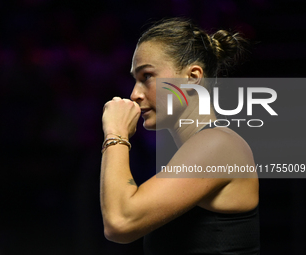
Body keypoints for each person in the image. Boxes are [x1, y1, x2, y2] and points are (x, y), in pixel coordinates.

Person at [100, 17, 259, 254]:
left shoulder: (218, 145)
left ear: (193, 78)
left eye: (147, 77)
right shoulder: (197, 148)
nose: (134, 94)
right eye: (135, 80)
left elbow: (120, 222)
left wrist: (115, 134)